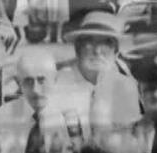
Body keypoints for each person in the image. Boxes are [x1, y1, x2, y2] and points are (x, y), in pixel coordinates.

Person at [55, 11, 141, 140]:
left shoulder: (126, 85)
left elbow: (128, 136)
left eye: (106, 43)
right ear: (77, 49)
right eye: (89, 42)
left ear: (116, 52)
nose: (97, 51)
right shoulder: (59, 82)